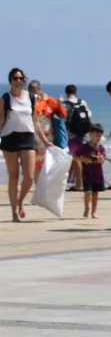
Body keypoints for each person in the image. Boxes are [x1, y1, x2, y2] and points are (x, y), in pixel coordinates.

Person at [2, 68, 51, 222]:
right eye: (15, 78)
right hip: (9, 137)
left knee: (29, 177)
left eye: (21, 78)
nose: (18, 81)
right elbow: (1, 121)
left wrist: (44, 140)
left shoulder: (30, 97)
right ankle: (14, 212)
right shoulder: (5, 98)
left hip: (28, 138)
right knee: (14, 176)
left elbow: (35, 120)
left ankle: (20, 202)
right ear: (10, 81)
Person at [63, 84, 93, 192]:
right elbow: (89, 116)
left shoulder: (65, 104)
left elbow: (63, 119)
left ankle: (79, 184)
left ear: (66, 93)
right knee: (80, 157)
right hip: (84, 134)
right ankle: (72, 181)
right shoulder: (82, 102)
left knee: (76, 158)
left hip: (72, 134)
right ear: (76, 92)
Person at [80, 124, 107, 219]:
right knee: (88, 192)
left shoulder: (101, 148)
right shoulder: (84, 147)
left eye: (100, 136)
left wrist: (101, 159)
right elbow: (74, 156)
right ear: (90, 134)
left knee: (95, 193)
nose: (98, 138)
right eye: (96, 135)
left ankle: (94, 211)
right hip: (87, 174)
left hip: (97, 174)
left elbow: (103, 160)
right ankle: (87, 207)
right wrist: (83, 159)